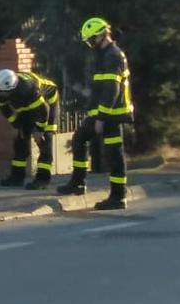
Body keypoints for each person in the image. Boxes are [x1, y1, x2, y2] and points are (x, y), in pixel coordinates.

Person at [57, 17, 133, 210]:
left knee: (113, 154)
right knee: (81, 139)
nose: (91, 45)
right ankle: (79, 184)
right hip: (104, 113)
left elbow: (111, 90)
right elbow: (100, 88)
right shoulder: (104, 55)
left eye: (92, 40)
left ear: (102, 35)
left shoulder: (112, 56)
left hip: (111, 115)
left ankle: (117, 196)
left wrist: (100, 118)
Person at [0, 69, 61, 190]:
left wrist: (39, 130)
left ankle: (42, 179)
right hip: (28, 104)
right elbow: (5, 110)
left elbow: (44, 110)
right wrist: (17, 126)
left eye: (2, 93)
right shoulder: (0, 90)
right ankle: (17, 177)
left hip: (48, 103)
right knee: (20, 139)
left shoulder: (28, 89)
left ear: (11, 88)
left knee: (45, 141)